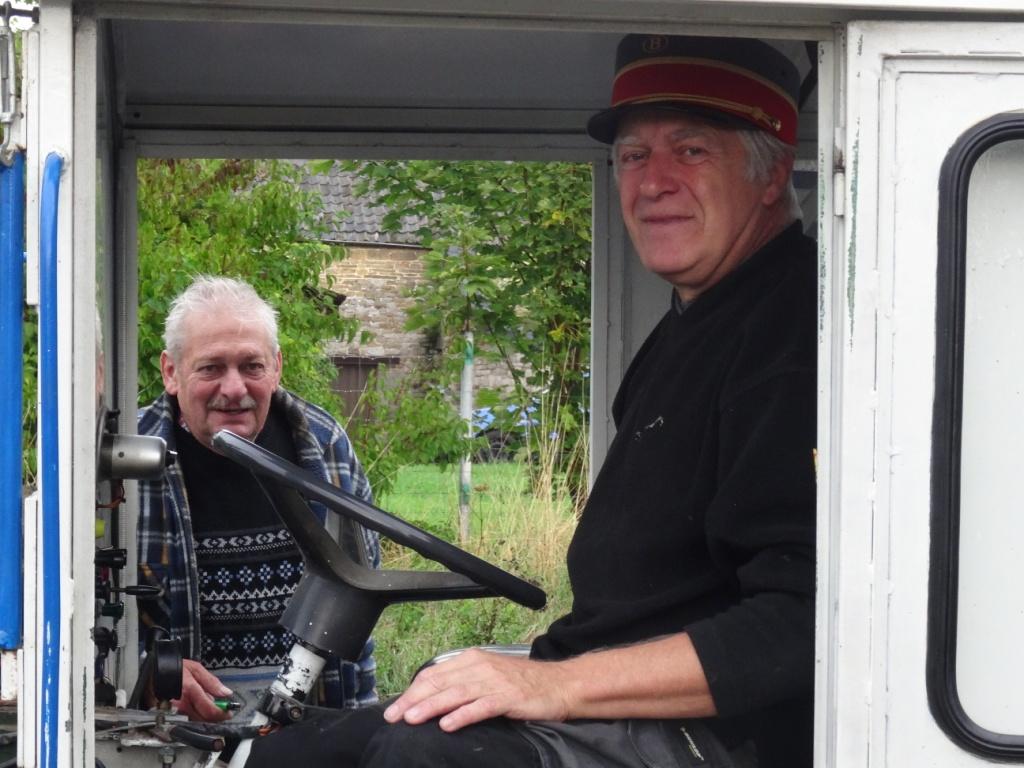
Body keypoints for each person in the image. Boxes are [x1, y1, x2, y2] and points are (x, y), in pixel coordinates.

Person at [246, 32, 816, 768]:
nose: (653, 182)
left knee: (422, 754)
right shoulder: (696, 321)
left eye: (691, 150)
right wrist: (538, 674)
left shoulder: (790, 332)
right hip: (612, 698)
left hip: (712, 738)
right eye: (634, 156)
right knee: (286, 755)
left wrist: (554, 685)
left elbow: (797, 626)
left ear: (771, 173)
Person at [137, 276, 380, 722]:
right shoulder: (129, 461)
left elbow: (361, 596)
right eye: (211, 368)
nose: (234, 388)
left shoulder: (325, 447)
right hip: (173, 739)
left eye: (252, 366)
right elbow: (86, 619)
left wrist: (358, 732)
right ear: (171, 372)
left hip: (310, 734)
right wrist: (154, 672)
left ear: (277, 366)